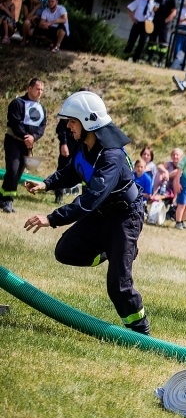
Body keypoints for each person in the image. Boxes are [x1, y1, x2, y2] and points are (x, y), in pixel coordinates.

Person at [23, 91, 150, 335]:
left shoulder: (112, 156)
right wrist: (46, 183)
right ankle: (107, 251)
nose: (68, 126)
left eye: (72, 121)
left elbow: (90, 198)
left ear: (88, 122)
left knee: (118, 286)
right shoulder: (85, 145)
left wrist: (51, 218)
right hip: (101, 214)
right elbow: (74, 170)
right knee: (65, 251)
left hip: (125, 218)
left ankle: (140, 331)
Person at [2, 78, 46, 214]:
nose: (40, 92)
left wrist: (34, 137)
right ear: (29, 88)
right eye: (37, 89)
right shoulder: (17, 103)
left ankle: (3, 198)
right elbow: (15, 122)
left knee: (19, 171)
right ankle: (7, 200)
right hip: (13, 141)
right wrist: (25, 136)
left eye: (42, 90)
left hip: (27, 145)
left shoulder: (41, 108)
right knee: (13, 169)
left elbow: (42, 126)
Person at [145, 0, 176, 66]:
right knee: (152, 41)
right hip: (155, 22)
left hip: (164, 25)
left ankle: (160, 61)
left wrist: (166, 20)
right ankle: (150, 59)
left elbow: (174, 12)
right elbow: (155, 8)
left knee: (163, 43)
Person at [124, 0, 156, 64]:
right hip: (138, 22)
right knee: (132, 40)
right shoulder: (139, 1)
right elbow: (129, 8)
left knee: (142, 42)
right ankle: (125, 55)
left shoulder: (155, 5)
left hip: (147, 24)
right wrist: (132, 18)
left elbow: (156, 15)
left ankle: (136, 58)